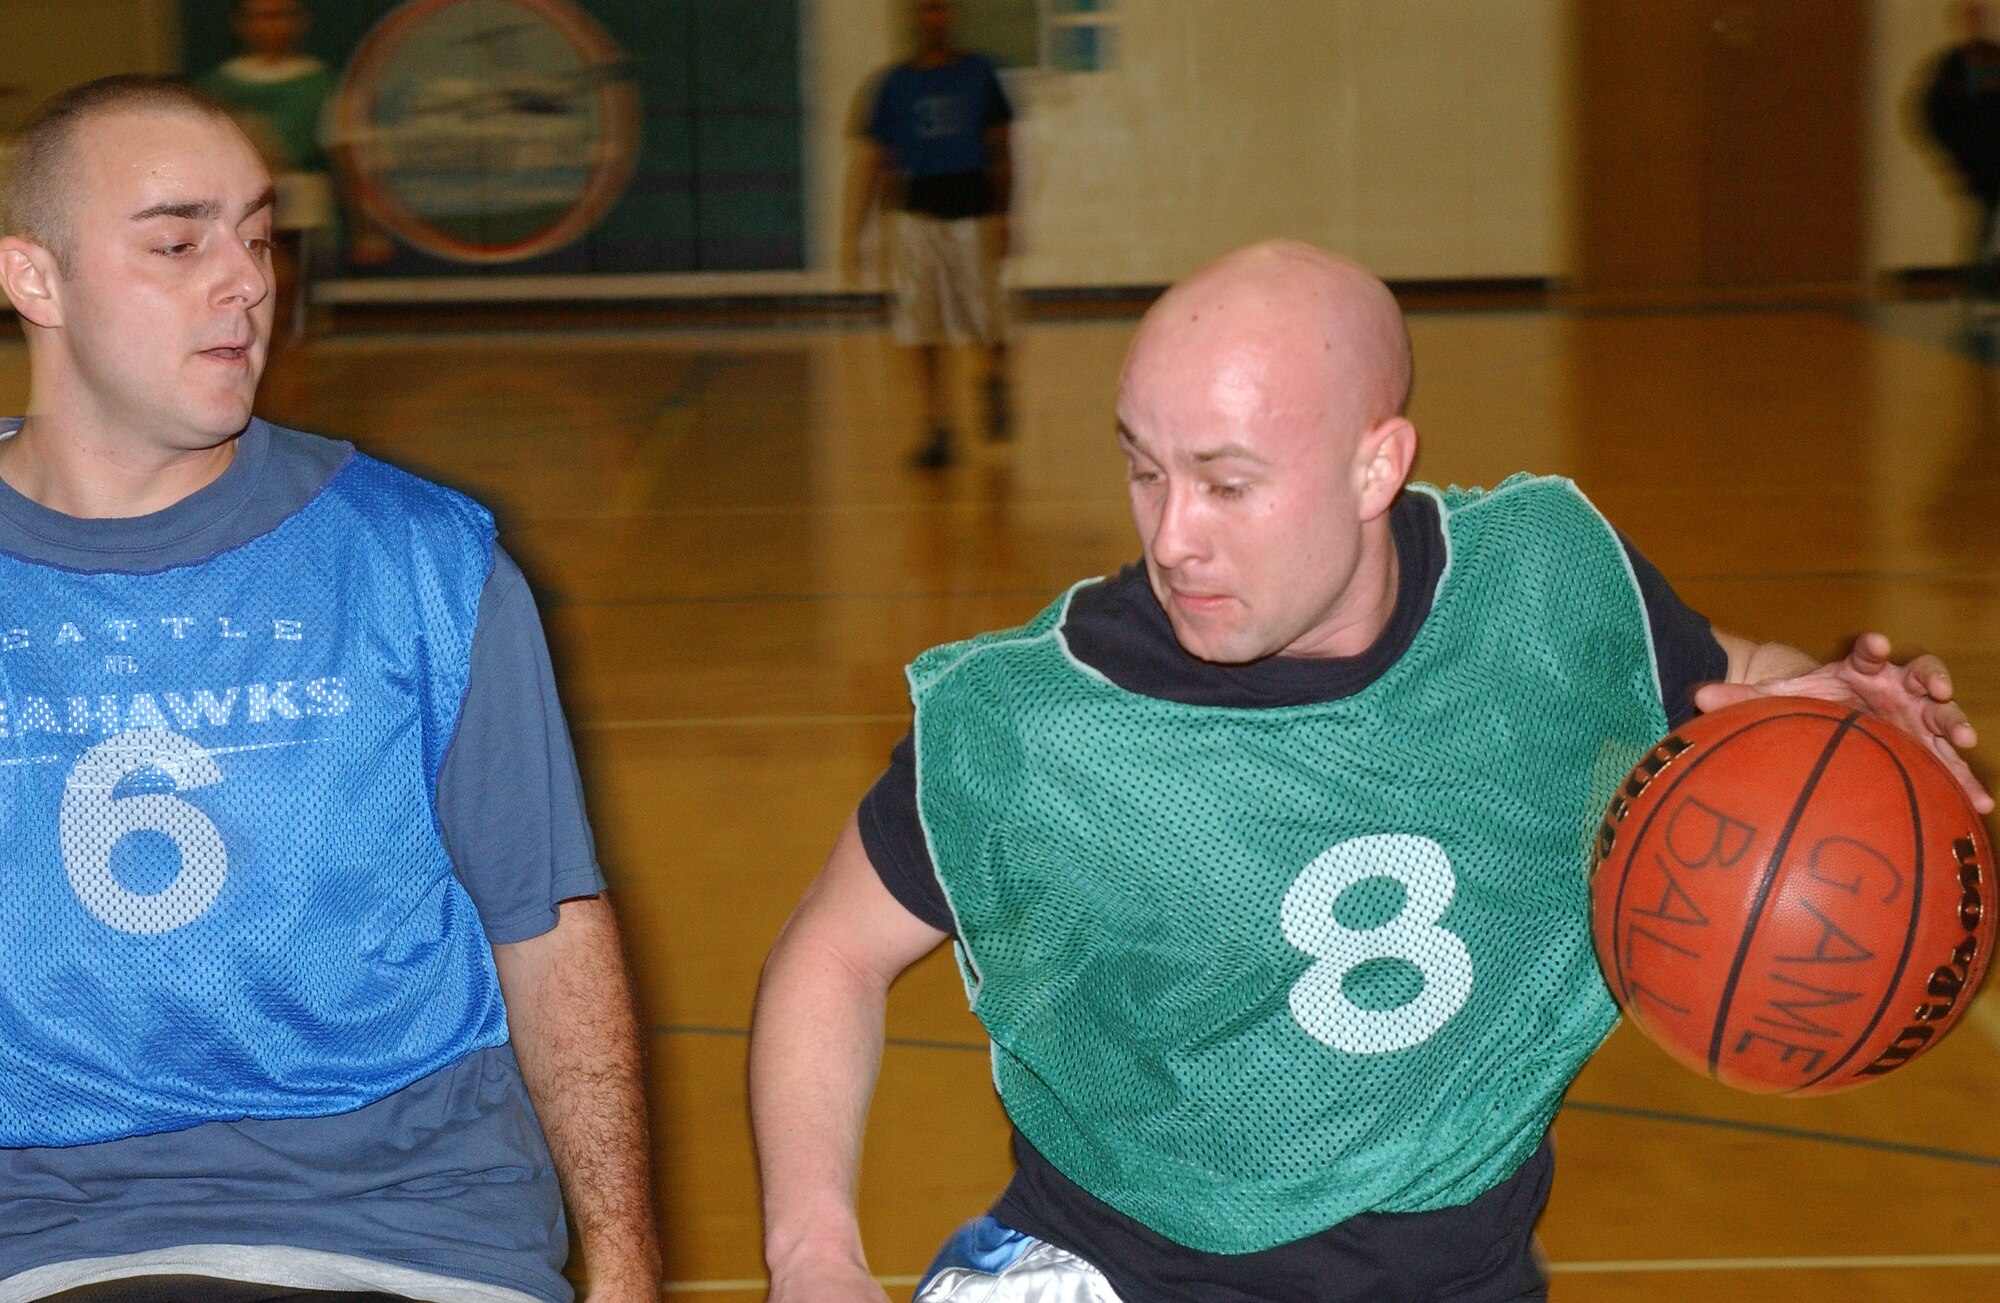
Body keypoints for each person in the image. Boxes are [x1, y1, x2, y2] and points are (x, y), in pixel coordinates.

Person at [747, 240, 1992, 1303]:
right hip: (1121, 1267)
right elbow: (831, 950)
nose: (1172, 535)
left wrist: (1850, 717)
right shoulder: (1042, 720)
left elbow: (1724, 681)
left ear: (1374, 464)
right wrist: (812, 1250)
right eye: (1143, 467)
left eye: (1227, 483)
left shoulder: (1542, 589)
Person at [0, 77, 660, 1303]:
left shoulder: (420, 560)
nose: (246, 280)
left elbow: (548, 927)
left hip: (405, 1226)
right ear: (34, 280)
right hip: (46, 1236)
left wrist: (622, 1266)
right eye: (178, 242)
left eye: (256, 236)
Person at [846, 0, 1014, 470]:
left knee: (986, 318)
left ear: (952, 18)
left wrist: (1005, 215)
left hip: (972, 210)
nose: (933, 19)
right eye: (926, 11)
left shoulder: (980, 73)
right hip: (917, 214)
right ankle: (938, 426)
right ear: (915, 20)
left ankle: (994, 380)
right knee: (921, 326)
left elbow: (1002, 146)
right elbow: (877, 162)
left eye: (941, 10)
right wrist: (857, 232)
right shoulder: (894, 85)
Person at [197, 0, 340, 338]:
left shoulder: (319, 83)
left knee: (290, 307)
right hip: (238, 208)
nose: (272, 27)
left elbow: (340, 150)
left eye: (281, 17)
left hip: (299, 212)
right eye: (262, 18)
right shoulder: (219, 84)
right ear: (242, 24)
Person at [1923, 1, 2000, 304]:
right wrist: (1955, 155)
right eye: (1973, 18)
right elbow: (1933, 114)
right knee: (1984, 226)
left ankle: (1983, 289)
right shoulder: (1951, 67)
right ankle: (1980, 293)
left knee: (1988, 226)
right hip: (1978, 164)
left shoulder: (1996, 57)